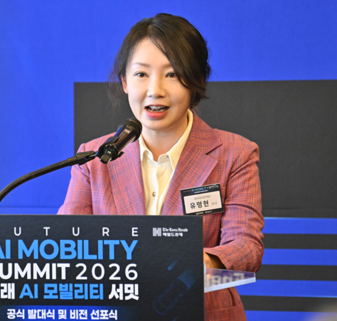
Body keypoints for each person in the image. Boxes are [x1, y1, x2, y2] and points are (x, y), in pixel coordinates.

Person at [59, 13, 262, 321]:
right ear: (125, 82)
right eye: (141, 74)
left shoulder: (235, 153)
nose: (155, 90)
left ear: (196, 81)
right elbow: (66, 241)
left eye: (172, 74)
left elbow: (247, 247)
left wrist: (203, 262)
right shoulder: (95, 157)